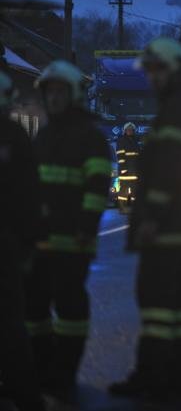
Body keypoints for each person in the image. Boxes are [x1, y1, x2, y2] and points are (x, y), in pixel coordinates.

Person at [109, 37, 181, 398]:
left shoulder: (177, 109)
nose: (151, 78)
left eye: (155, 71)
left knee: (155, 302)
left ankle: (152, 376)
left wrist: (151, 215)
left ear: (170, 70)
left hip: (169, 226)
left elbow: (167, 171)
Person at [25, 60, 111, 402]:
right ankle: (43, 367)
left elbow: (97, 187)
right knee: (34, 309)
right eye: (50, 92)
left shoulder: (89, 137)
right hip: (40, 242)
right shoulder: (44, 135)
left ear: (73, 95)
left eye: (61, 91)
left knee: (70, 308)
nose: (55, 98)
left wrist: (86, 228)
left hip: (73, 242)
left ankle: (63, 374)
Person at [0, 71, 46, 411]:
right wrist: (28, 243)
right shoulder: (15, 136)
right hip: (8, 245)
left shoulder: (14, 137)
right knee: (11, 322)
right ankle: (24, 392)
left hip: (7, 244)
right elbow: (29, 196)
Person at [116, 122, 142, 210]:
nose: (130, 131)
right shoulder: (121, 140)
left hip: (135, 171)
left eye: (131, 130)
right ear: (125, 131)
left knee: (135, 191)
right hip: (125, 171)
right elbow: (120, 155)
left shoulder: (136, 141)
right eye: (128, 130)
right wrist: (123, 168)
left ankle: (135, 209)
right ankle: (122, 208)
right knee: (123, 191)